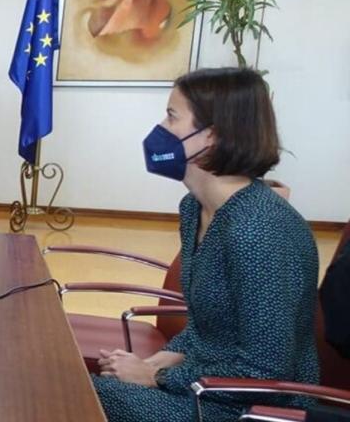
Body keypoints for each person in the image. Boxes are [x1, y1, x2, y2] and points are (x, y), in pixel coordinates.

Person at [93, 67, 319, 421]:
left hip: (251, 410)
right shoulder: (195, 208)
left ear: (211, 136)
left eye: (172, 116)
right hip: (203, 386)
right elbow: (208, 329)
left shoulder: (258, 230)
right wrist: (157, 361)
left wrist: (156, 376)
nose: (160, 129)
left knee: (75, 393)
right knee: (78, 385)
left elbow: (265, 373)